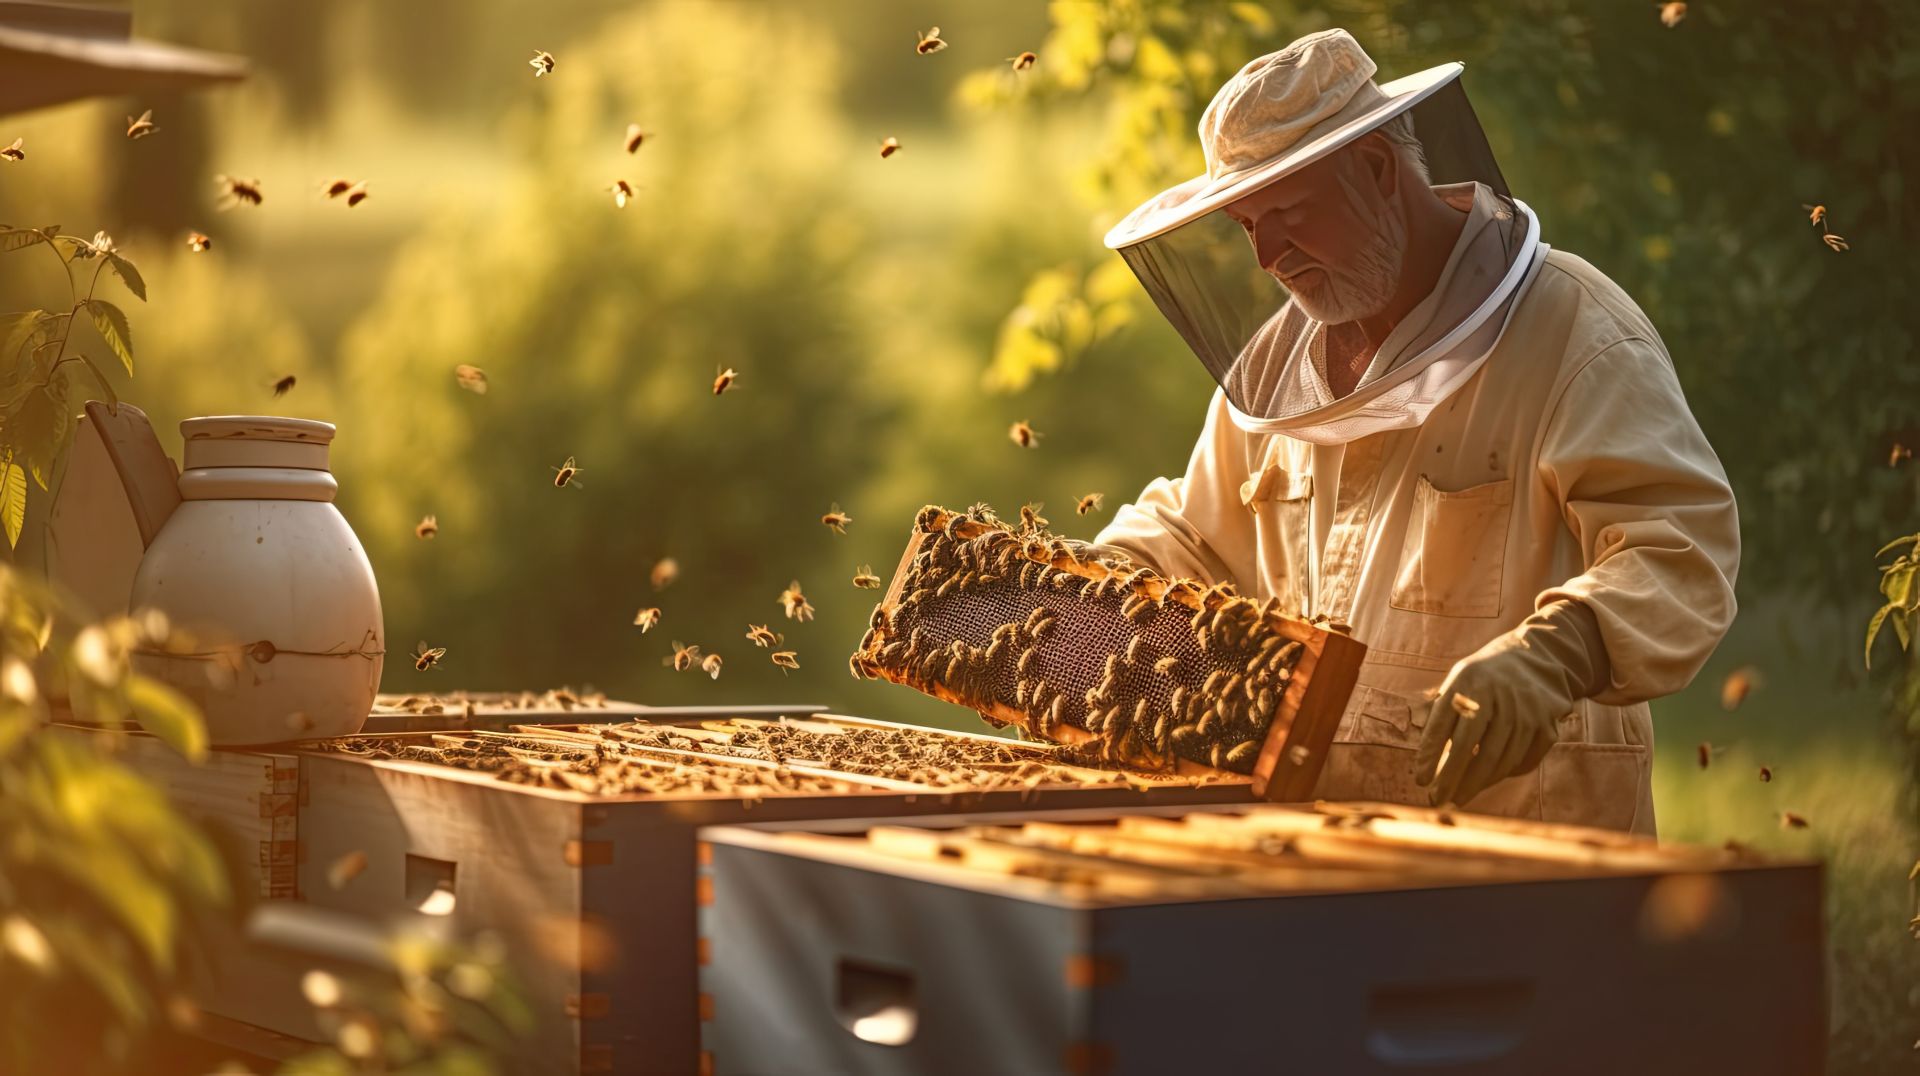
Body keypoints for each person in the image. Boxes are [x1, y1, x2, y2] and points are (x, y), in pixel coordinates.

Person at [1094, 28, 1738, 834]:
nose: (1268, 258)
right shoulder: (1280, 363)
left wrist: (1558, 651)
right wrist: (1080, 590)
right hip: (1315, 833)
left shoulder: (1574, 330)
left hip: (1529, 836)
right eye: (1246, 224)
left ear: (1376, 171)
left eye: (1288, 214)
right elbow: (1197, 534)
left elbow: (1679, 551)